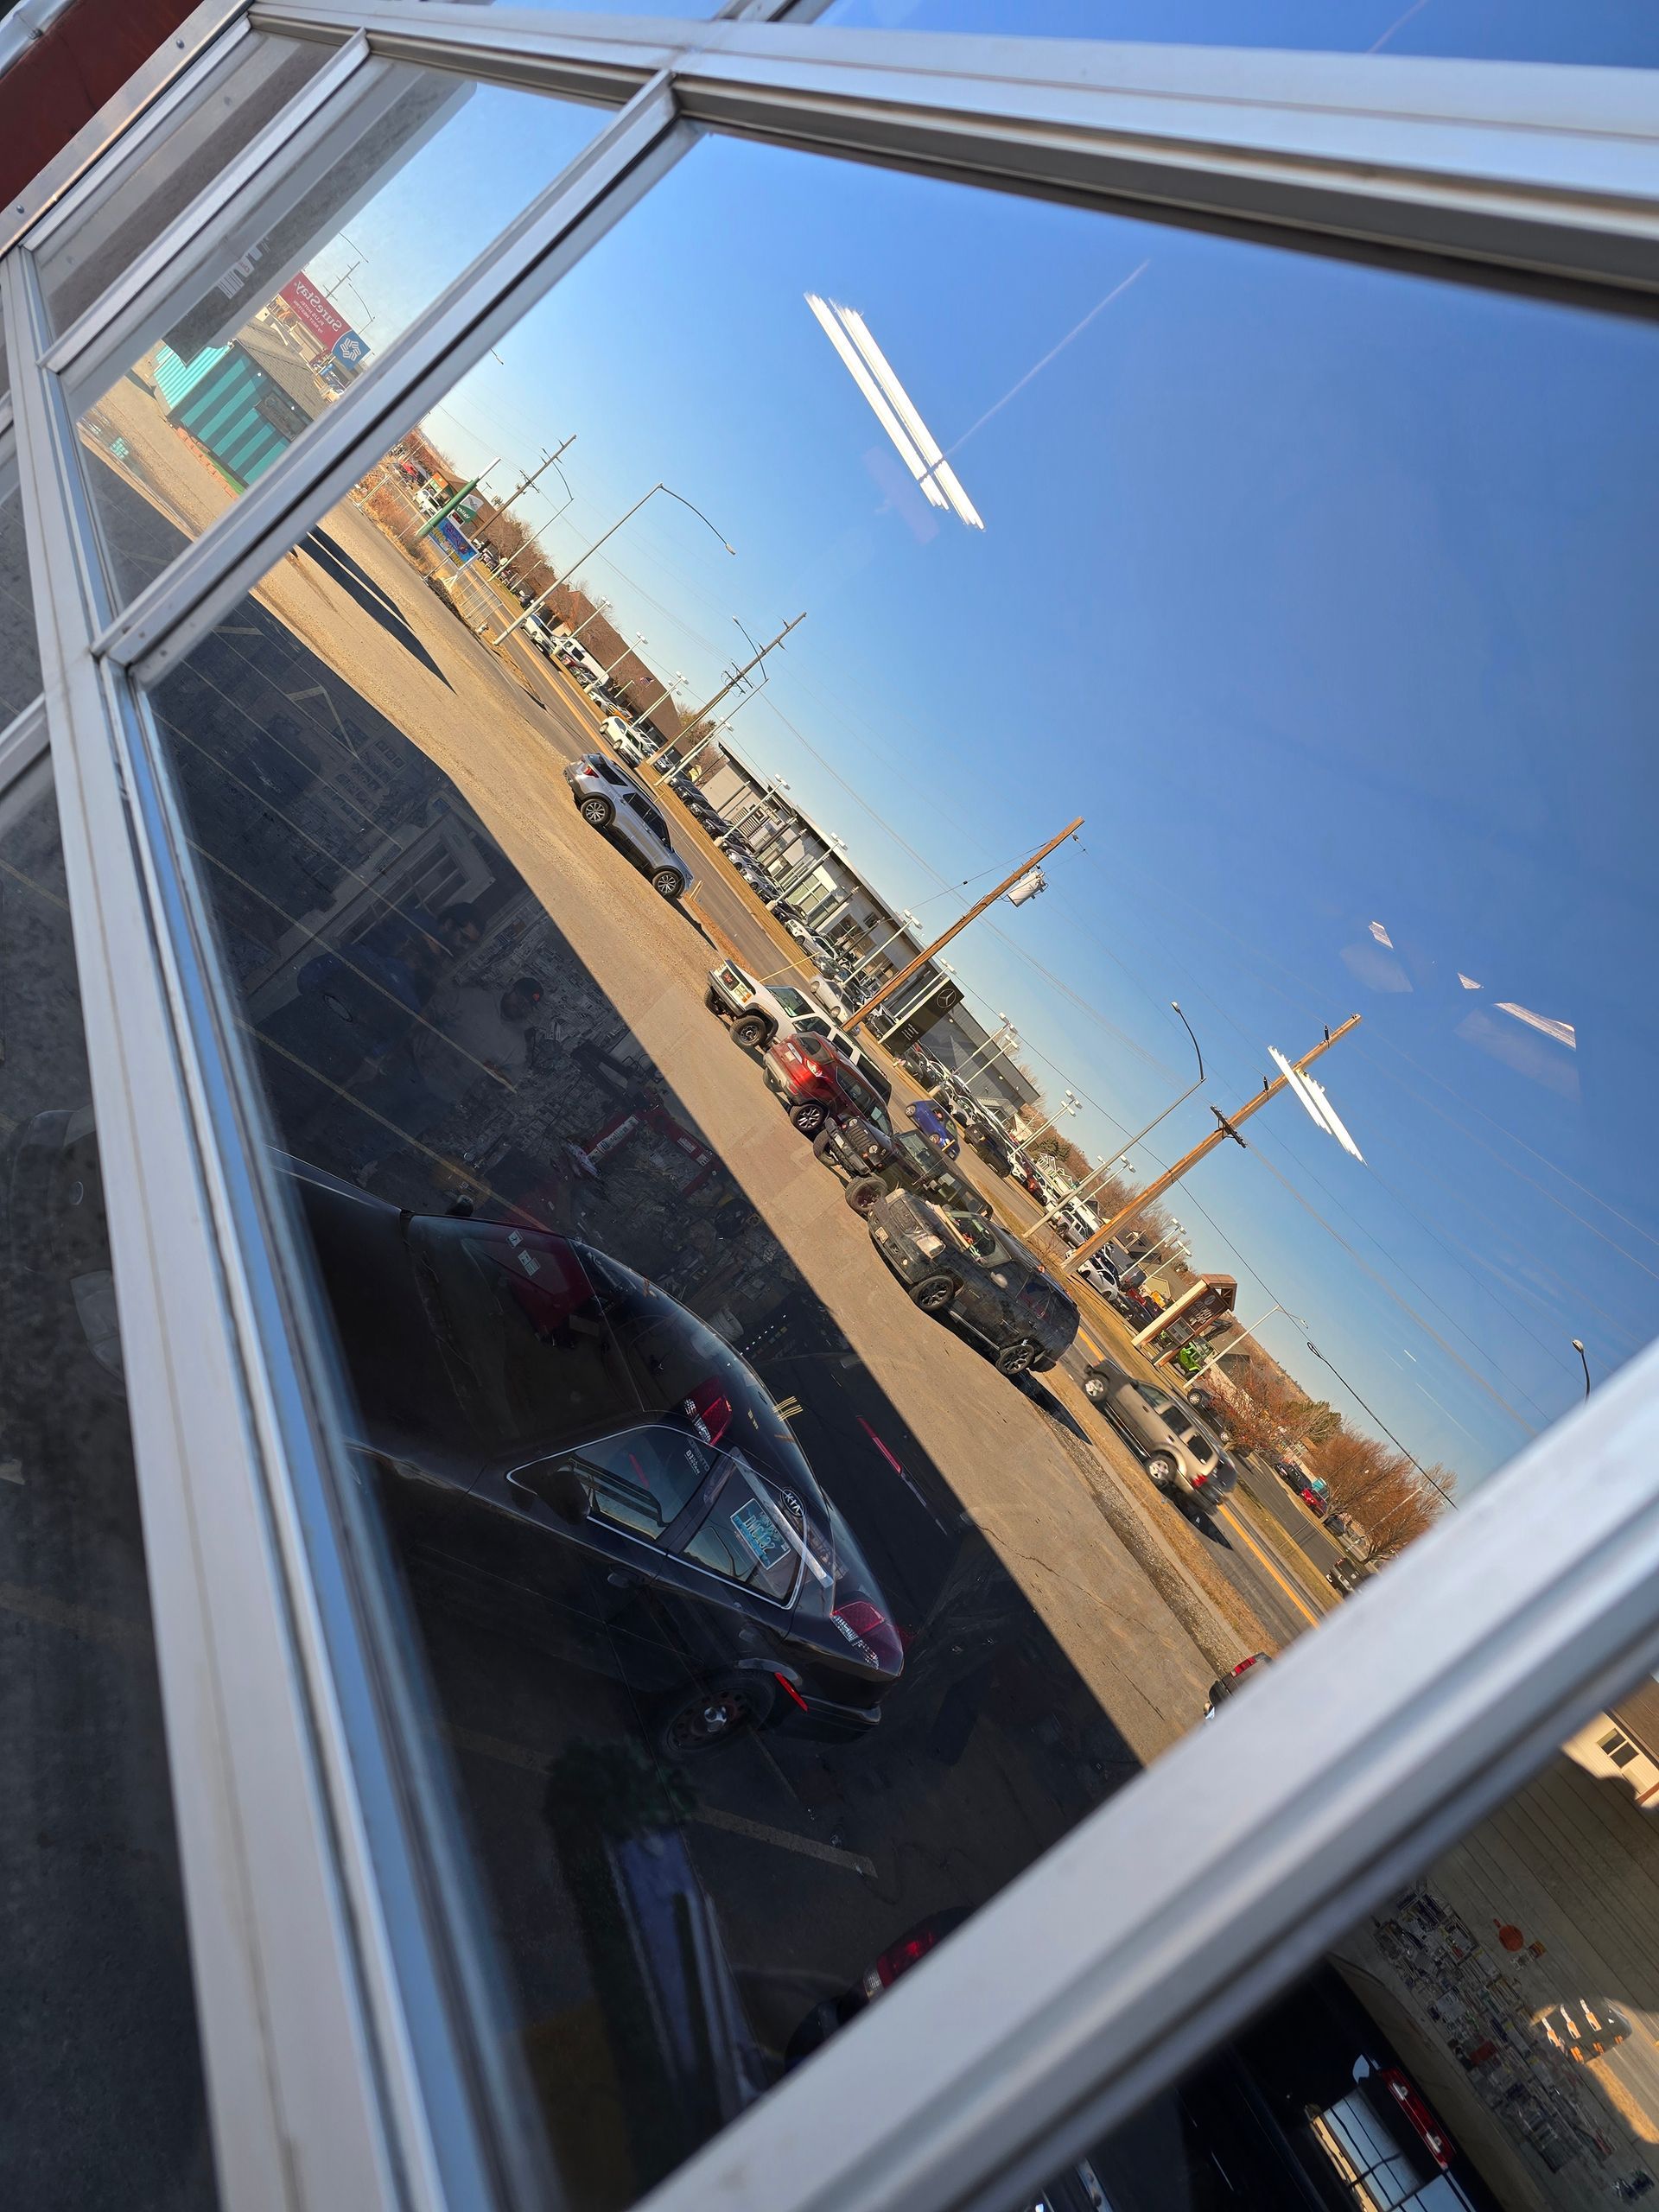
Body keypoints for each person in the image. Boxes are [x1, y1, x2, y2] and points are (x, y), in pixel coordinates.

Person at [344, 974, 544, 1181]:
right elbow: (429, 1013)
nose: (520, 1006)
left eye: (527, 1005)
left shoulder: (517, 1045)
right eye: (519, 998)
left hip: (444, 1095)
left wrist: (496, 1077)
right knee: (371, 1107)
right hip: (412, 1066)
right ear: (511, 989)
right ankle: (335, 1143)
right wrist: (392, 1049)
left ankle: (361, 1162)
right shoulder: (474, 999)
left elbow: (507, 1081)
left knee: (399, 1134)